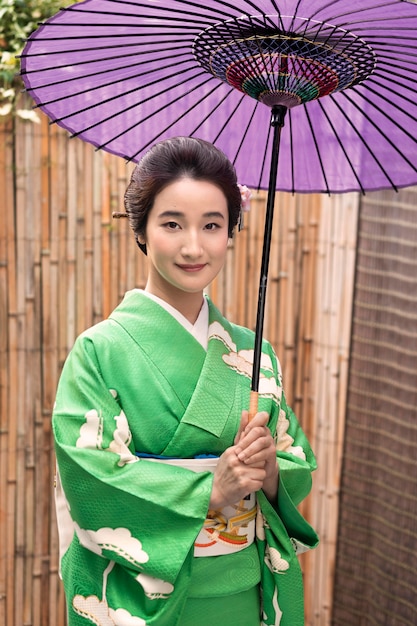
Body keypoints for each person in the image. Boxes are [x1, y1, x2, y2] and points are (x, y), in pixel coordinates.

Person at [53, 136, 318, 626]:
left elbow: (294, 459)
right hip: (146, 602)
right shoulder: (100, 350)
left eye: (212, 225)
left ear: (231, 233)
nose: (194, 246)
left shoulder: (255, 355)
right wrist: (208, 491)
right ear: (142, 231)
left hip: (243, 594)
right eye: (172, 224)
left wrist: (271, 471)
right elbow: (90, 475)